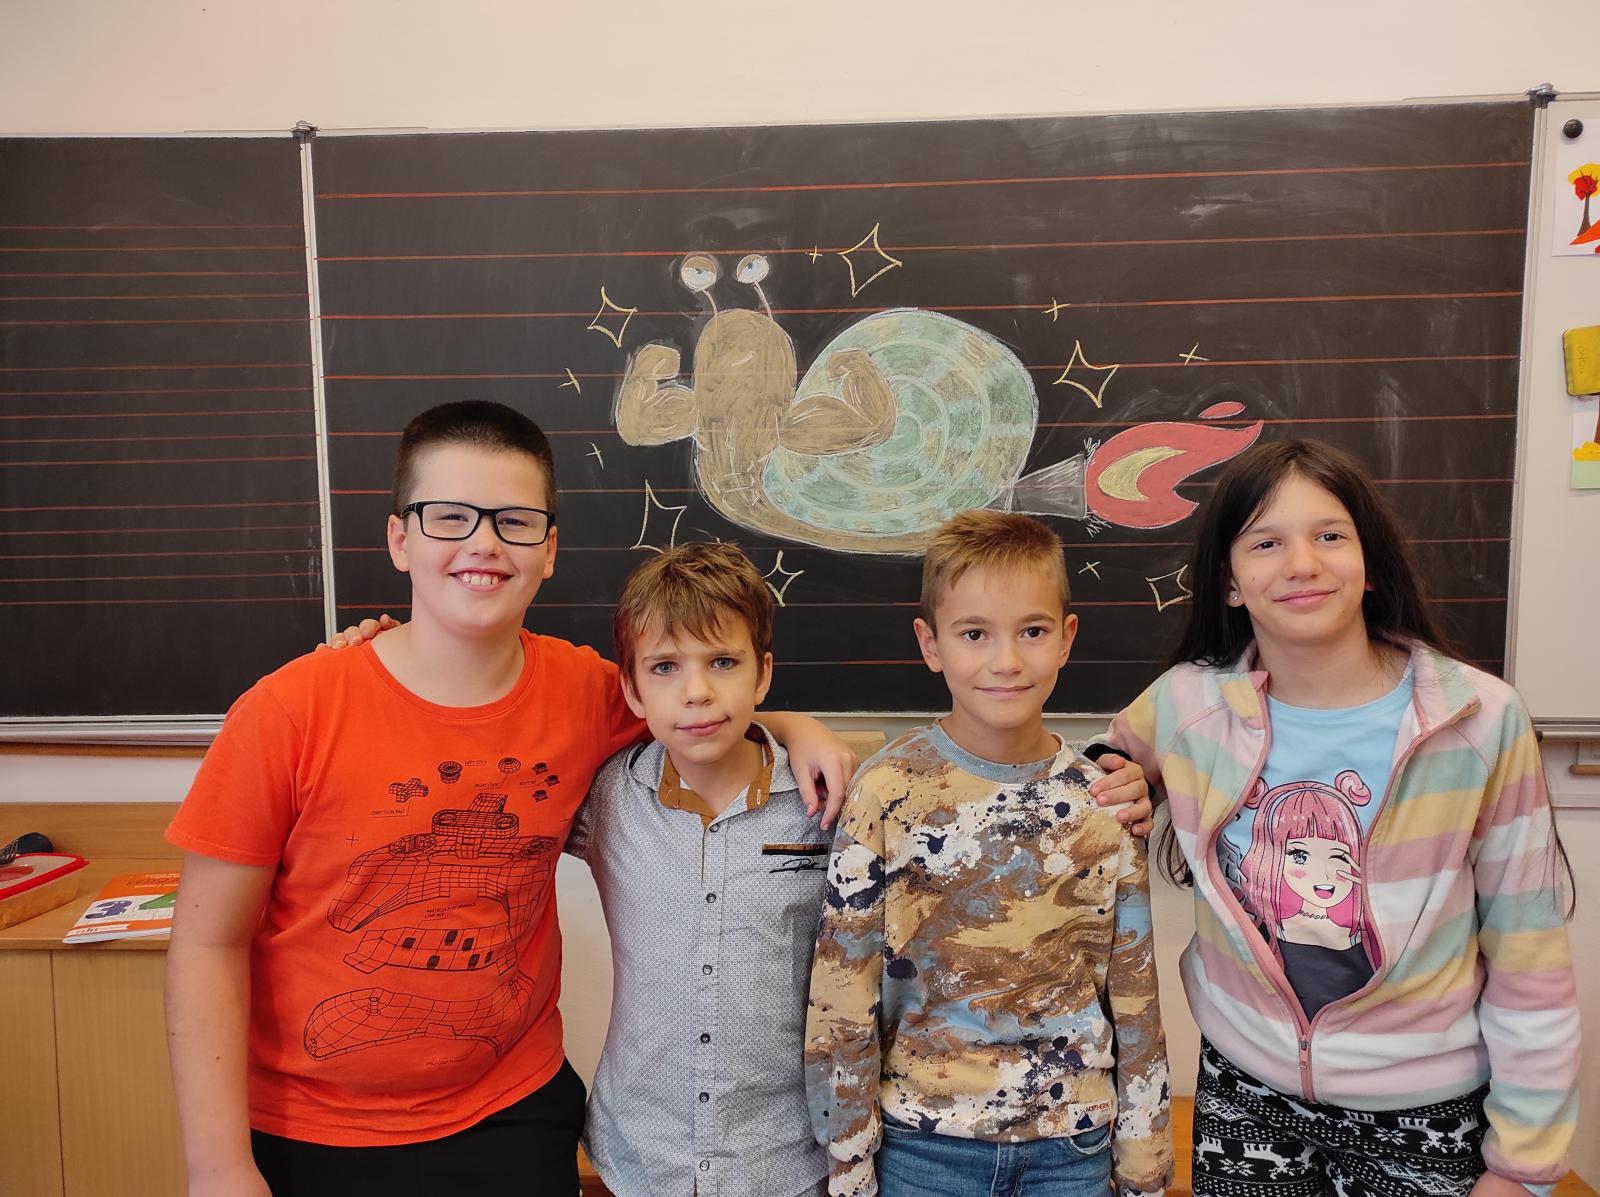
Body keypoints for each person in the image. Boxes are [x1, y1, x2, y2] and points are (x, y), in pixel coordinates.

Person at [163, 401, 855, 1197]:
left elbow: (698, 707)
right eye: (449, 516)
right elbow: (208, 942)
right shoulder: (288, 711)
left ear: (549, 548)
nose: (483, 543)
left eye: (515, 521)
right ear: (400, 538)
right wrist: (217, 1165)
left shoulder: (588, 693)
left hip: (512, 1115)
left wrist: (794, 727)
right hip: (310, 1129)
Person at [1105, 438, 1581, 1197]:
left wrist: (1522, 1168)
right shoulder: (1188, 702)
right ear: (1230, 582)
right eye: (1266, 542)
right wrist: (1126, 781)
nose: (1302, 563)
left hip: (1425, 1109)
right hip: (1246, 1091)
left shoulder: (1478, 719)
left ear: (1370, 563)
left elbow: (1530, 957)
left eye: (1329, 535)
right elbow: (1103, 766)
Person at [805, 510, 1173, 1197]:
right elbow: (843, 988)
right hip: (923, 1148)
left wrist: (1145, 1162)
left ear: (1066, 639)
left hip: (1071, 1146)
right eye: (974, 634)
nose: (1006, 661)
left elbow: (1134, 990)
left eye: (1032, 631)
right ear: (931, 643)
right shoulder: (885, 793)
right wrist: (848, 1157)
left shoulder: (1105, 801)